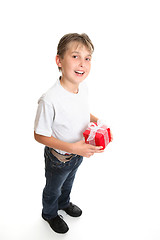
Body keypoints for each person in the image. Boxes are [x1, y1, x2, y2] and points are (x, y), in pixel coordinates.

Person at [34, 33, 109, 234]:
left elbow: (81, 111)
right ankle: (49, 213)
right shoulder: (49, 99)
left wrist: (96, 120)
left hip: (77, 154)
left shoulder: (82, 88)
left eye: (87, 58)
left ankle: (64, 203)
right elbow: (39, 135)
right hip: (59, 158)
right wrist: (73, 147)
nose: (82, 63)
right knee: (52, 189)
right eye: (75, 56)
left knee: (69, 182)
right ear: (59, 60)